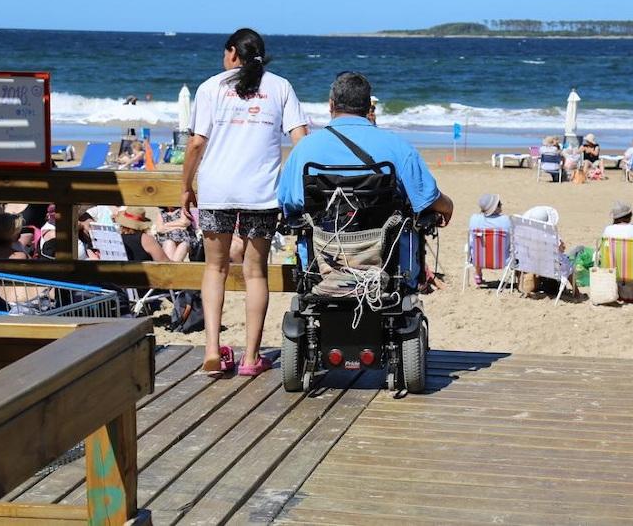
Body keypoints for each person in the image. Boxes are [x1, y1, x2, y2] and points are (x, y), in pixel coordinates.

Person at [181, 28, 309, 377]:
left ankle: (211, 349)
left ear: (232, 53)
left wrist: (185, 186)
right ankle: (251, 357)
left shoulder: (210, 88)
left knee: (214, 269)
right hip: (261, 192)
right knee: (255, 273)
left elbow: (195, 144)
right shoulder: (280, 87)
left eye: (225, 54)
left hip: (217, 190)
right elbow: (301, 140)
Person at [279, 71, 453, 226]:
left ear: (331, 105)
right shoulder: (397, 146)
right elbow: (426, 198)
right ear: (368, 106)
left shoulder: (304, 149)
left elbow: (289, 203)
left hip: (320, 250)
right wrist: (448, 205)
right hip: (384, 253)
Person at [468, 193, 511, 285]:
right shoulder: (506, 220)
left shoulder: (474, 219)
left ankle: (478, 274)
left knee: (477, 247)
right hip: (503, 261)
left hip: (478, 260)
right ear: (494, 208)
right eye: (499, 204)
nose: (501, 205)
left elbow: (471, 242)